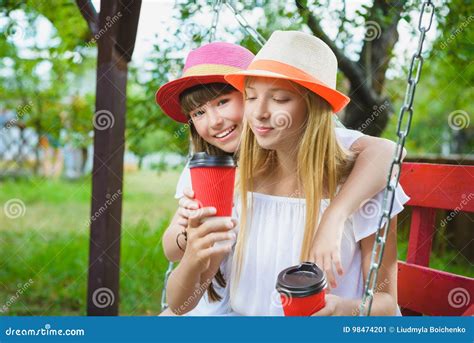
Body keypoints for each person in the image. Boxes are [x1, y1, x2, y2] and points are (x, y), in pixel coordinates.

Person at [157, 37, 407, 315]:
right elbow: (180, 301)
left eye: (279, 99)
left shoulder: (363, 184)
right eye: (251, 97)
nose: (260, 113)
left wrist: (342, 308)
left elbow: (386, 303)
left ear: (315, 108)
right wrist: (190, 245)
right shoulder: (235, 183)